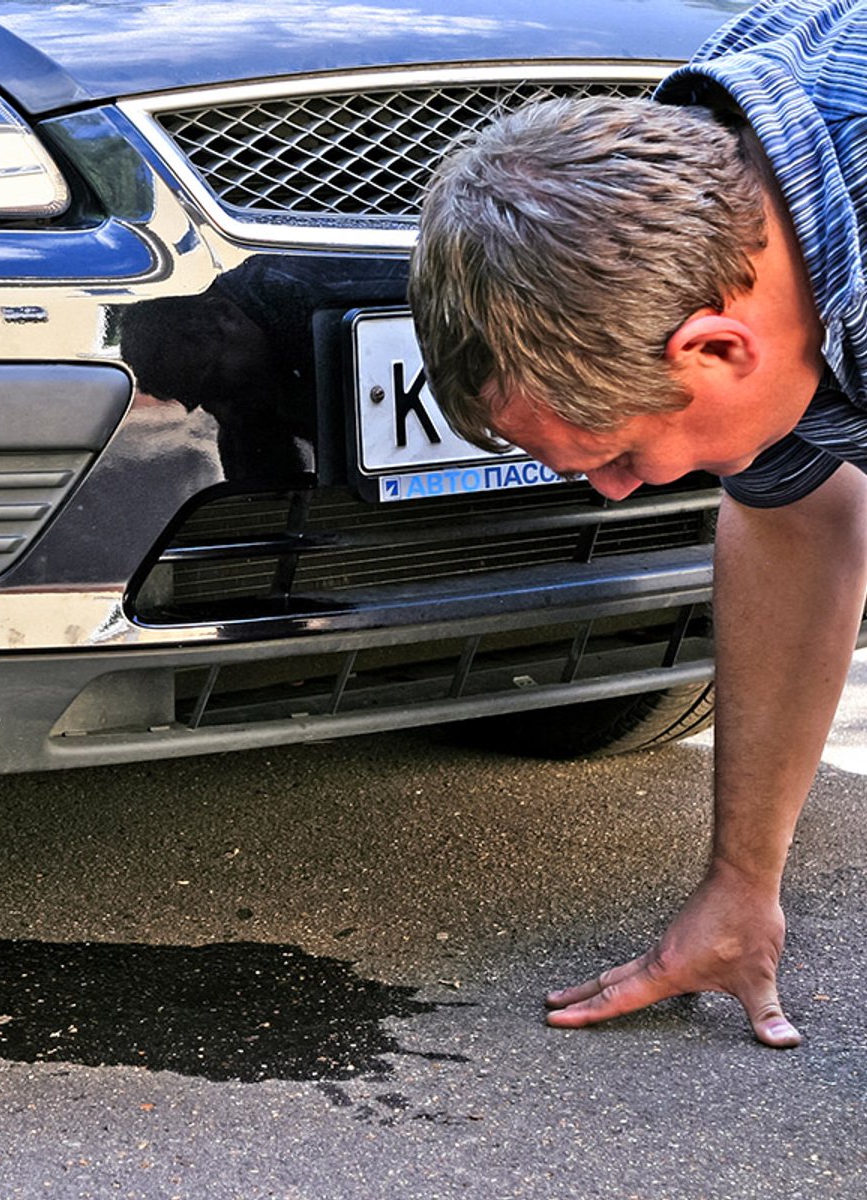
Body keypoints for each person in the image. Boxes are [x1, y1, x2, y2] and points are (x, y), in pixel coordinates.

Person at [408, 0, 867, 1048]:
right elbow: (797, 515)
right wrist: (742, 885)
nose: (613, 493)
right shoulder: (717, 173)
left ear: (717, 349)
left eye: (615, 457)